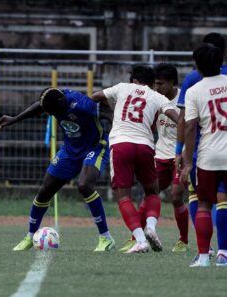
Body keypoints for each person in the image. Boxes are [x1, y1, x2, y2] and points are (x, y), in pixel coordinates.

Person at [0, 88, 115, 252]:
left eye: (52, 112)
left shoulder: (83, 105)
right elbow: (39, 107)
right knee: (45, 190)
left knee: (84, 186)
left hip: (95, 147)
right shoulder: (53, 102)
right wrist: (14, 119)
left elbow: (109, 113)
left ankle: (106, 238)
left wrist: (118, 133)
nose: (51, 115)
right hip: (70, 150)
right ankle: (30, 236)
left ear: (61, 103)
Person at [91, 65, 178, 253]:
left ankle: (140, 240)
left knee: (123, 196)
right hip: (145, 146)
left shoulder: (122, 87)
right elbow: (174, 114)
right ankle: (151, 228)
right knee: (152, 192)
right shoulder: (157, 96)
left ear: (135, 81)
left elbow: (95, 97)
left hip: (122, 144)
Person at [176, 32, 227, 260]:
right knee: (225, 202)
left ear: (197, 66)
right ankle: (224, 253)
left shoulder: (194, 89)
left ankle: (204, 257)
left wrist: (186, 162)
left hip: (207, 155)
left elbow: (189, 126)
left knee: (204, 203)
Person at [153, 63, 188, 252]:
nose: (157, 88)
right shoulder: (155, 99)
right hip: (160, 155)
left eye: (160, 84)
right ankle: (140, 235)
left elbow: (191, 127)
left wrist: (185, 153)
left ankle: (183, 240)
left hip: (180, 156)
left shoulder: (184, 100)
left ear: (172, 82)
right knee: (151, 192)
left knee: (176, 196)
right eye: (155, 84)